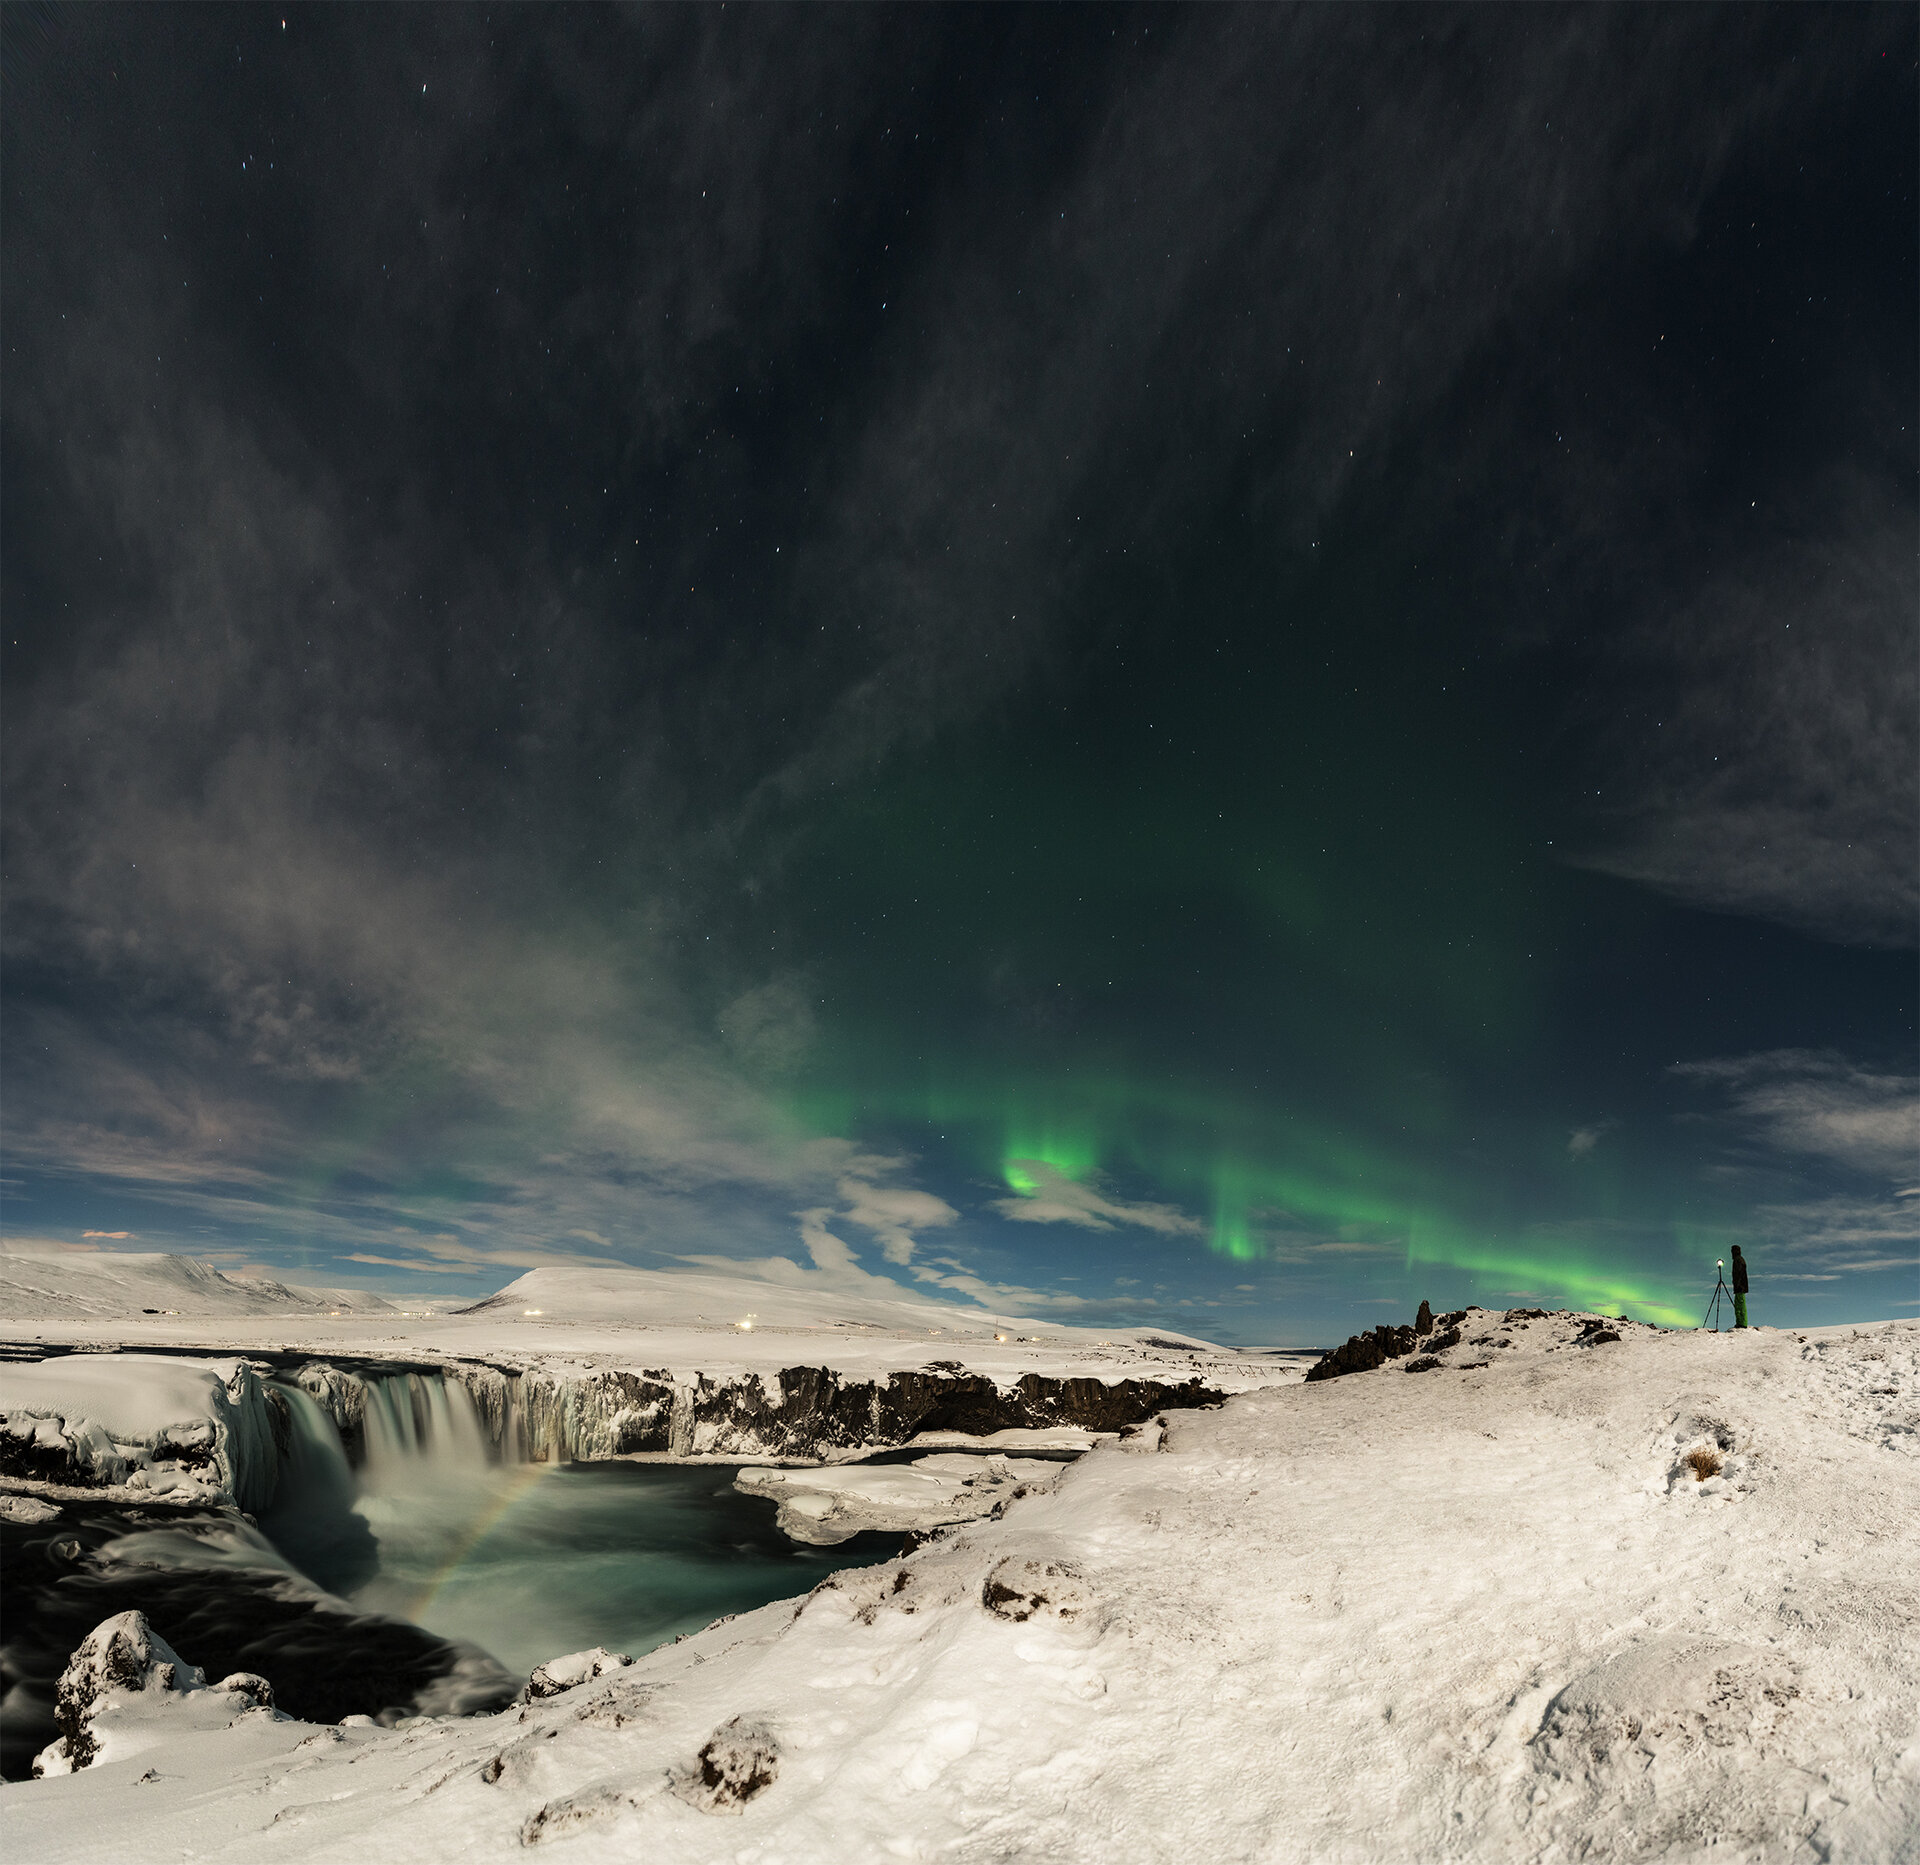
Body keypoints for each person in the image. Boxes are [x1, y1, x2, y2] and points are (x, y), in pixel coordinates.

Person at [1730, 1244, 1750, 1329]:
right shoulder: (1740, 1260)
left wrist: (1738, 1284)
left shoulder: (1738, 1260)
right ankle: (1740, 1322)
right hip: (1740, 1287)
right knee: (1739, 1305)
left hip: (1740, 1287)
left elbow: (1738, 1274)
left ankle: (1742, 1323)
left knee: (1740, 1306)